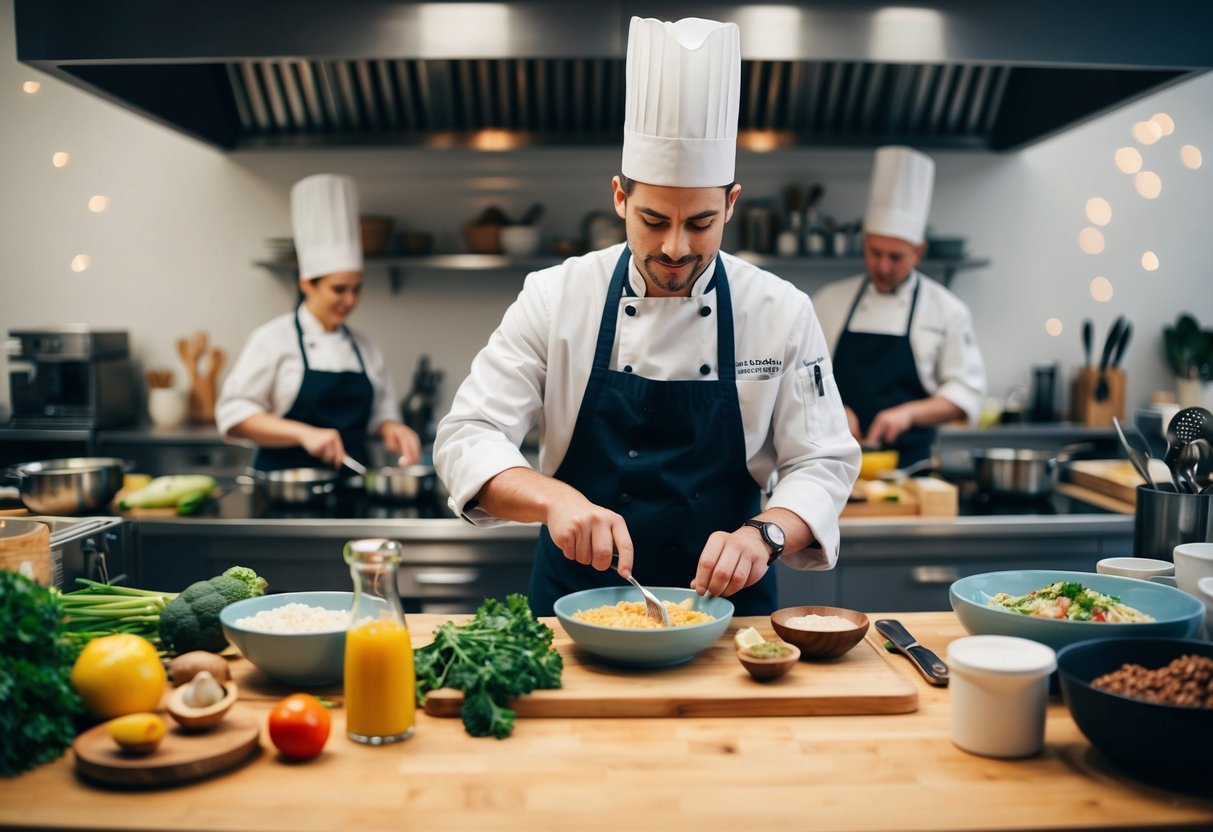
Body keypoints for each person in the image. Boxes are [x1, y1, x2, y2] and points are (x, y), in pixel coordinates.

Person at [434, 17, 859, 617]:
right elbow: (467, 436)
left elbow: (822, 458)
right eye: (654, 220)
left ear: (731, 204)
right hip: (574, 611)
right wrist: (552, 499)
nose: (677, 248)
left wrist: (765, 534)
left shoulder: (780, 309)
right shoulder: (556, 295)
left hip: (732, 616)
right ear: (619, 198)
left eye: (702, 223)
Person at [217, 173, 420, 471]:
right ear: (306, 284)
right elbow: (235, 416)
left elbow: (381, 414)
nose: (350, 300)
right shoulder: (273, 340)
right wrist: (303, 433)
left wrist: (392, 428)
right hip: (284, 489)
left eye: (357, 288)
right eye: (339, 289)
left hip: (352, 487)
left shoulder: (364, 347)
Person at [812, 146, 986, 466]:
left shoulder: (948, 311)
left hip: (912, 468)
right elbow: (803, 377)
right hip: (831, 466)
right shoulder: (827, 301)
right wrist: (833, 407)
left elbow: (966, 394)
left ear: (918, 251)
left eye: (895, 257)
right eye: (874, 252)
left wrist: (908, 414)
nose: (882, 266)